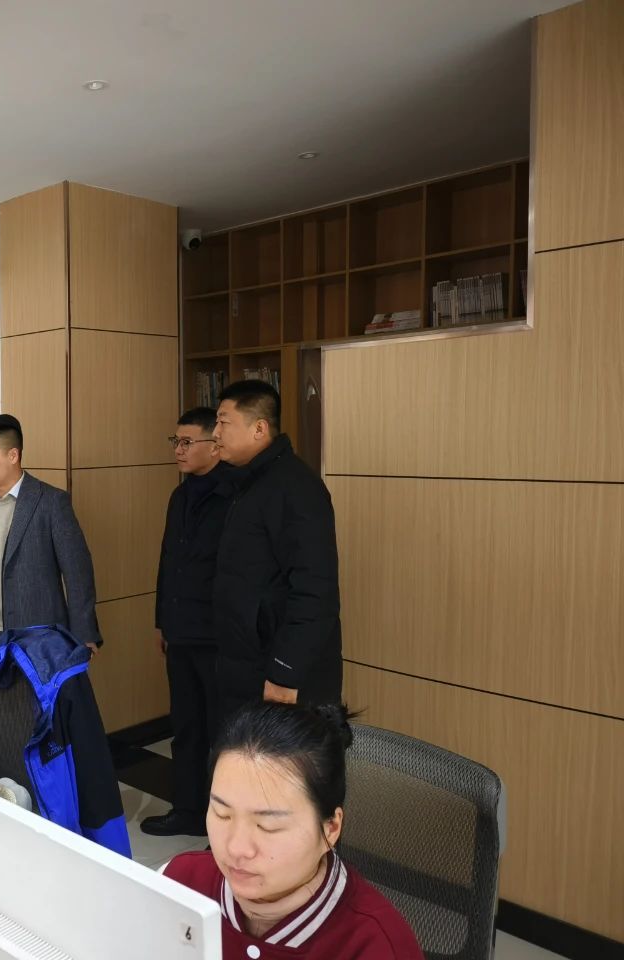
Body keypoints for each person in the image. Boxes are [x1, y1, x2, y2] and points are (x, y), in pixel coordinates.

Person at [162, 702, 424, 960]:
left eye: (268, 826)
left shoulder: (376, 945)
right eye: (222, 814)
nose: (236, 848)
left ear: (331, 829)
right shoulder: (179, 882)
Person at [211, 379, 341, 719]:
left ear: (259, 429)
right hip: (246, 663)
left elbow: (315, 590)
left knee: (285, 753)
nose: (215, 433)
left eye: (223, 422)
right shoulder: (247, 482)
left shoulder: (295, 487)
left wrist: (285, 670)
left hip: (280, 673)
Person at [142, 406, 234, 838]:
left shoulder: (234, 497)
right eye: (174, 442)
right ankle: (187, 809)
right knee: (185, 726)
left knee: (221, 732)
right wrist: (162, 621)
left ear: (215, 446)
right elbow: (168, 562)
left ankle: (223, 818)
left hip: (217, 637)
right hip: (180, 631)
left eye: (186, 442)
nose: (177, 450)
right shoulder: (179, 496)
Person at [0, 414, 100, 658]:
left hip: (38, 639)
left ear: (13, 455)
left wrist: (85, 634)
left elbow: (78, 573)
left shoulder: (51, 502)